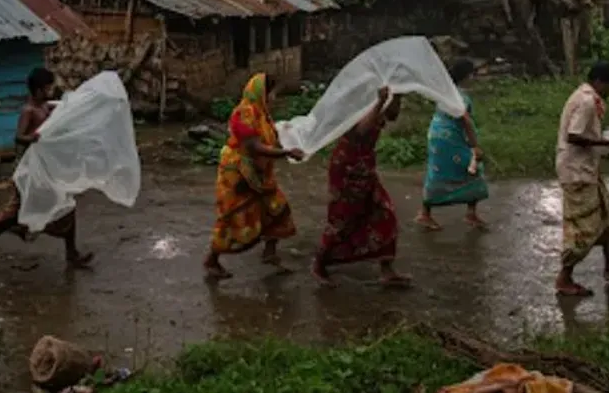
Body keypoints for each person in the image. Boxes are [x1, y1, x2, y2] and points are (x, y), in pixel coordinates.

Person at [0, 67, 93, 270]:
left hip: (43, 170)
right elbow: (18, 137)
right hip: (29, 172)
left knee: (66, 206)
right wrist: (32, 138)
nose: (51, 91)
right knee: (15, 214)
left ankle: (71, 253)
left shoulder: (46, 107)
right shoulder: (29, 111)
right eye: (48, 88)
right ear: (39, 90)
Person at [204, 73, 305, 279]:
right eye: (273, 93)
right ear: (262, 93)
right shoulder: (244, 114)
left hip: (260, 173)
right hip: (238, 174)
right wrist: (286, 153)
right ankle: (212, 260)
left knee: (278, 208)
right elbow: (254, 146)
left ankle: (270, 253)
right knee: (235, 218)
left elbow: (269, 140)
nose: (274, 97)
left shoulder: (262, 114)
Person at [312, 86, 409, 288]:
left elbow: (392, 116)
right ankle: (319, 264)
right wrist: (379, 102)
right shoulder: (354, 107)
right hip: (347, 167)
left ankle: (387, 270)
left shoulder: (375, 101)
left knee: (384, 212)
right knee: (342, 219)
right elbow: (360, 131)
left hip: (365, 165)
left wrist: (398, 94)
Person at [554, 61, 609, 298]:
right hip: (576, 173)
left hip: (586, 169)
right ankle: (564, 278)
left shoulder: (584, 96)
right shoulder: (587, 101)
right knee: (583, 227)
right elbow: (574, 135)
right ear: (600, 81)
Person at [415, 59, 489, 231]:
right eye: (473, 74)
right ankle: (469, 213)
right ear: (466, 76)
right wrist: (475, 146)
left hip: (436, 135)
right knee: (473, 168)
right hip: (450, 138)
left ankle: (426, 213)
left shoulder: (446, 91)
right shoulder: (459, 96)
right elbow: (466, 121)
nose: (474, 78)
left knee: (437, 171)